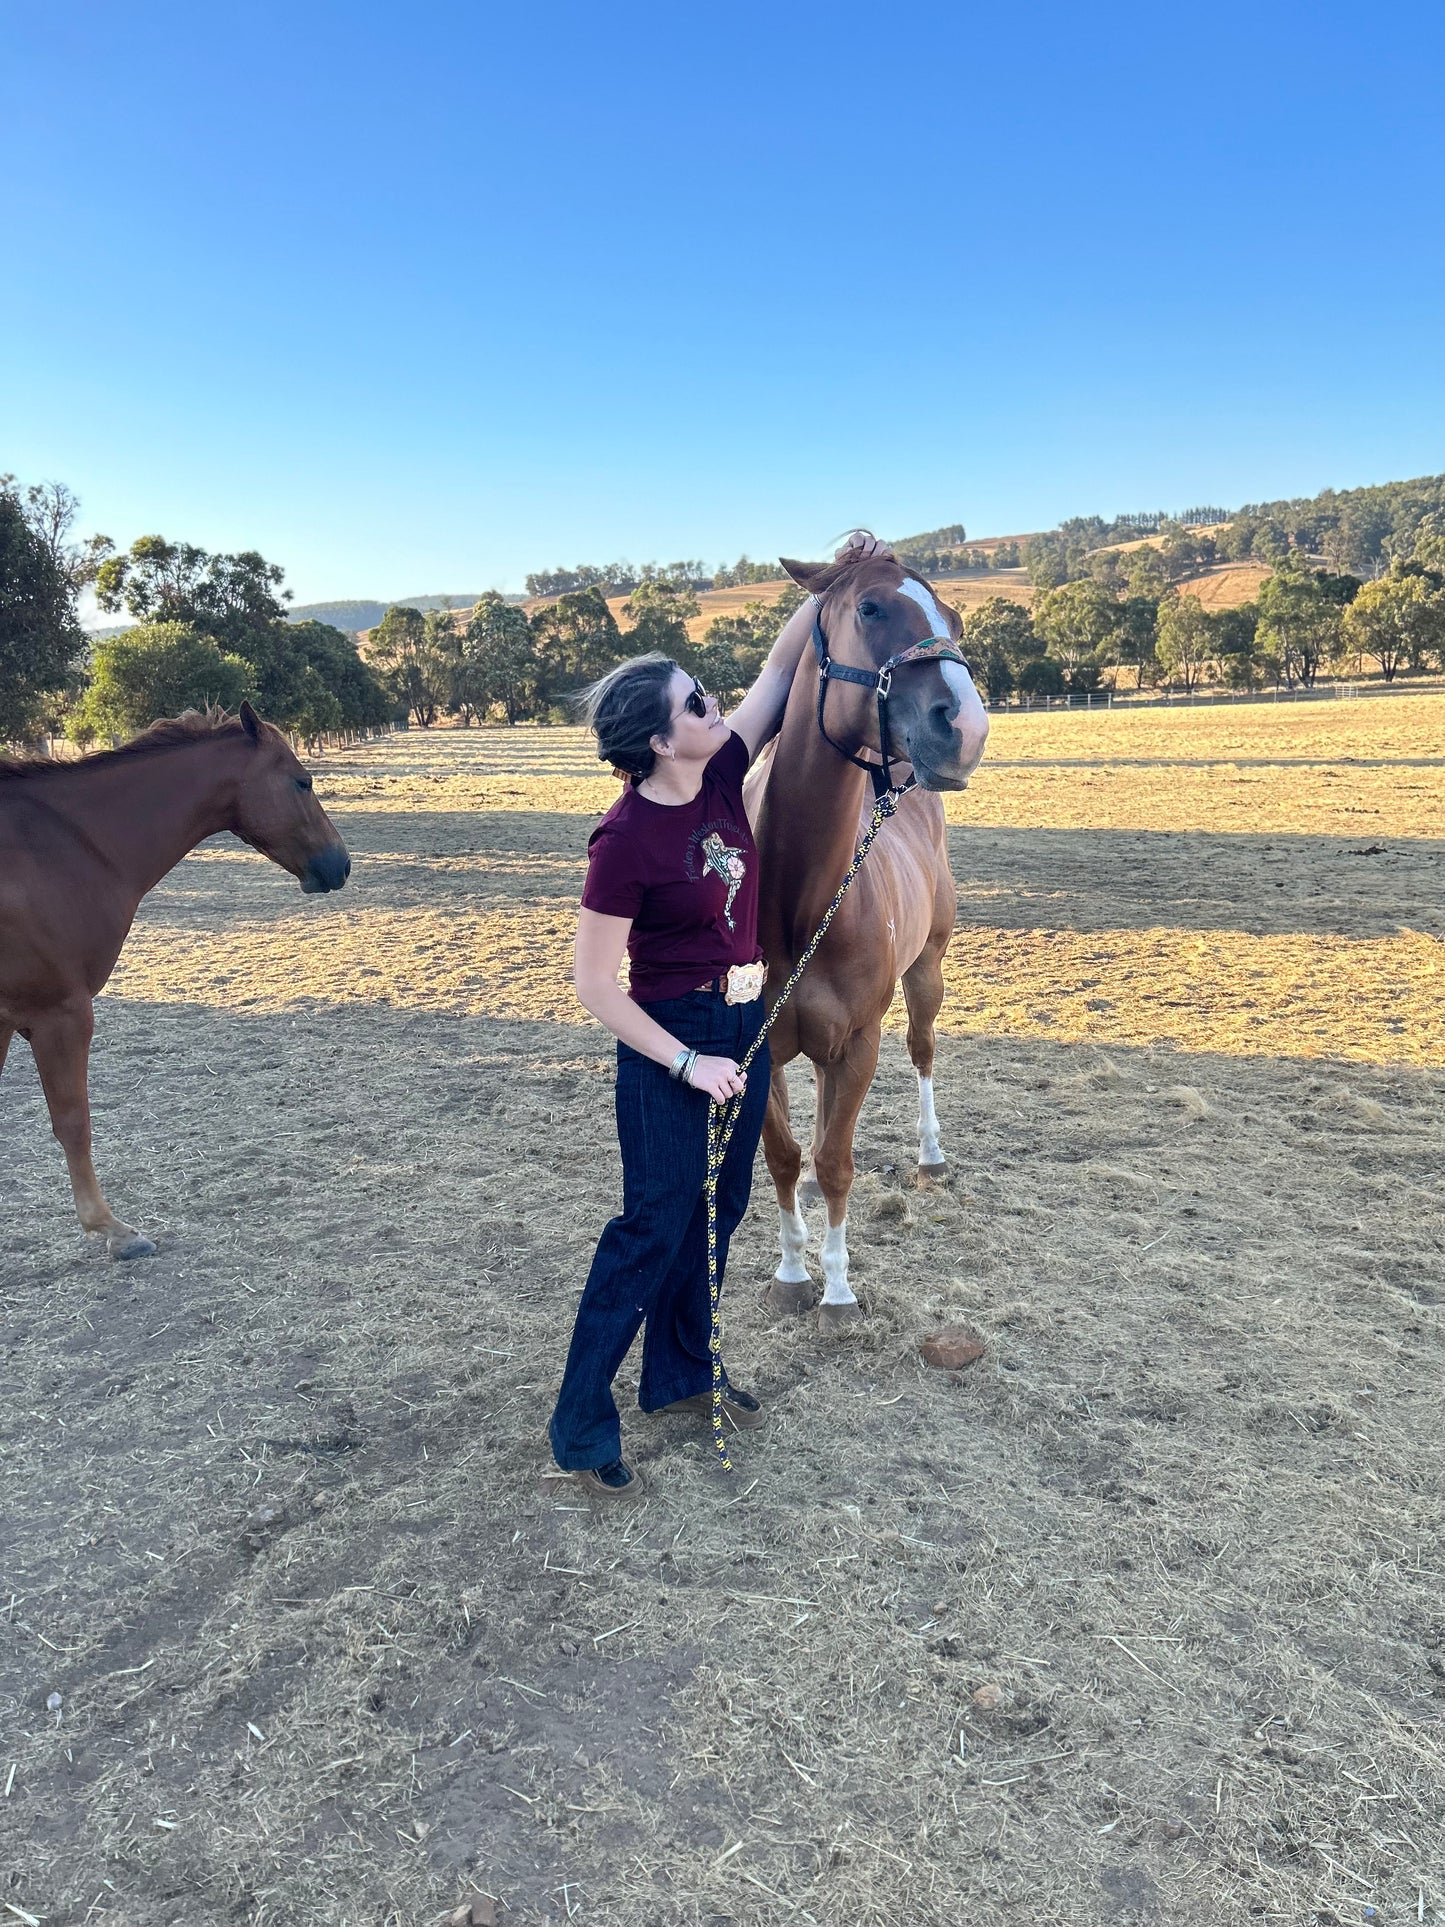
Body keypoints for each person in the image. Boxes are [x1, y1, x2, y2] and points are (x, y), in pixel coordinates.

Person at [549, 533, 893, 1499]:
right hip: (670, 1038)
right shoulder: (622, 840)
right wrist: (685, 1061)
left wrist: (839, 573)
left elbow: (789, 659)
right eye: (697, 702)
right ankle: (579, 1419)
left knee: (720, 1209)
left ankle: (682, 1375)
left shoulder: (721, 765)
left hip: (738, 1026)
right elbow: (593, 984)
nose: (718, 705)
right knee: (651, 1224)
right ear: (661, 738)